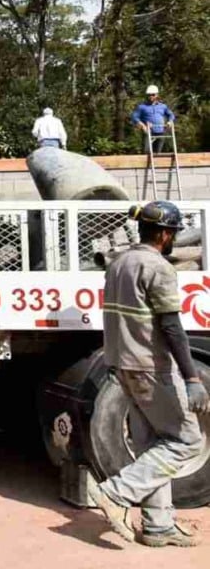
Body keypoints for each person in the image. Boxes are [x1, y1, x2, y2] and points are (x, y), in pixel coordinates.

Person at [87, 201, 210, 548]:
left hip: (122, 364)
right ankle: (116, 494)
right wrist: (192, 378)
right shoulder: (157, 267)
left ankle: (158, 526)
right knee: (186, 441)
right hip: (150, 367)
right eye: (175, 232)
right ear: (166, 233)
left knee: (153, 447)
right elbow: (171, 327)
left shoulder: (119, 263)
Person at [130, 85, 176, 154]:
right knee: (147, 153)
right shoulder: (142, 107)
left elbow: (171, 115)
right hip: (148, 132)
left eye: (153, 94)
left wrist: (170, 121)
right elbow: (134, 117)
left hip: (161, 132)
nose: (151, 96)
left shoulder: (163, 106)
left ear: (157, 95)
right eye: (149, 95)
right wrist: (142, 125)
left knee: (158, 153)